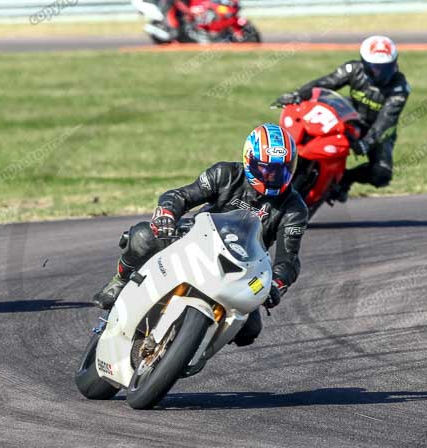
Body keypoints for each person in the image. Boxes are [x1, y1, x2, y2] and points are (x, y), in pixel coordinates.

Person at [93, 123, 308, 346]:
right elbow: (181, 196)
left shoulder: (294, 208)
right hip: (194, 239)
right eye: (266, 168)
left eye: (280, 169)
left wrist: (277, 283)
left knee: (249, 329)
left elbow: (289, 259)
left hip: (241, 269)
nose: (272, 175)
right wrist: (167, 214)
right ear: (249, 160)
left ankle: (192, 348)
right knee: (143, 237)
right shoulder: (225, 173)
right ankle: (120, 280)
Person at [275, 35, 410, 202]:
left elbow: (386, 120)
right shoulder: (353, 69)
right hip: (350, 115)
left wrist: (367, 143)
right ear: (365, 63)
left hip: (378, 130)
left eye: (386, 67)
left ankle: (345, 179)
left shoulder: (400, 87)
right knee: (310, 131)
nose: (380, 73)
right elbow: (326, 82)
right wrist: (298, 94)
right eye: (375, 67)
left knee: (382, 174)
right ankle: (289, 165)